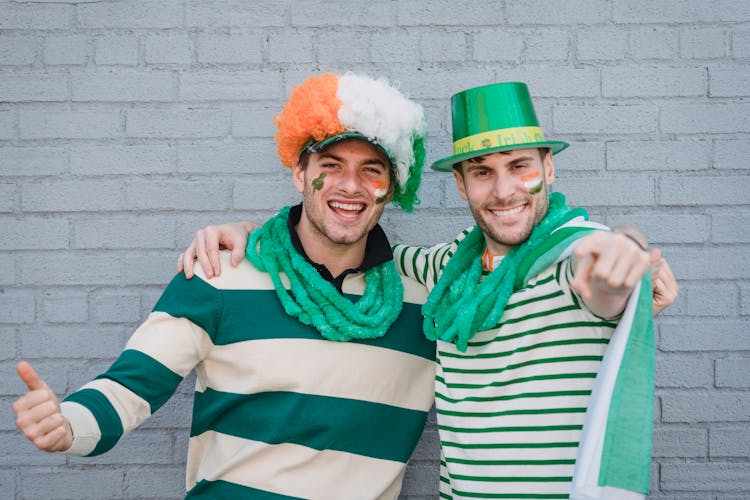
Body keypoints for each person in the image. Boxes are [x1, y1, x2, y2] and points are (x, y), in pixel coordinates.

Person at [177, 82, 679, 499]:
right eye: (483, 172)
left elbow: (602, 277)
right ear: (461, 186)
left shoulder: (572, 254)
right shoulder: (447, 269)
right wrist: (252, 234)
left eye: (519, 166)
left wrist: (625, 252)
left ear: (548, 168)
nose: (503, 191)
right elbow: (348, 250)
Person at [12, 72, 437, 499]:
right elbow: (132, 386)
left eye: (371, 170)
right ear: (299, 173)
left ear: (392, 188)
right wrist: (68, 425)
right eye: (331, 166)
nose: (350, 186)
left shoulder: (424, 303)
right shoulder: (219, 273)